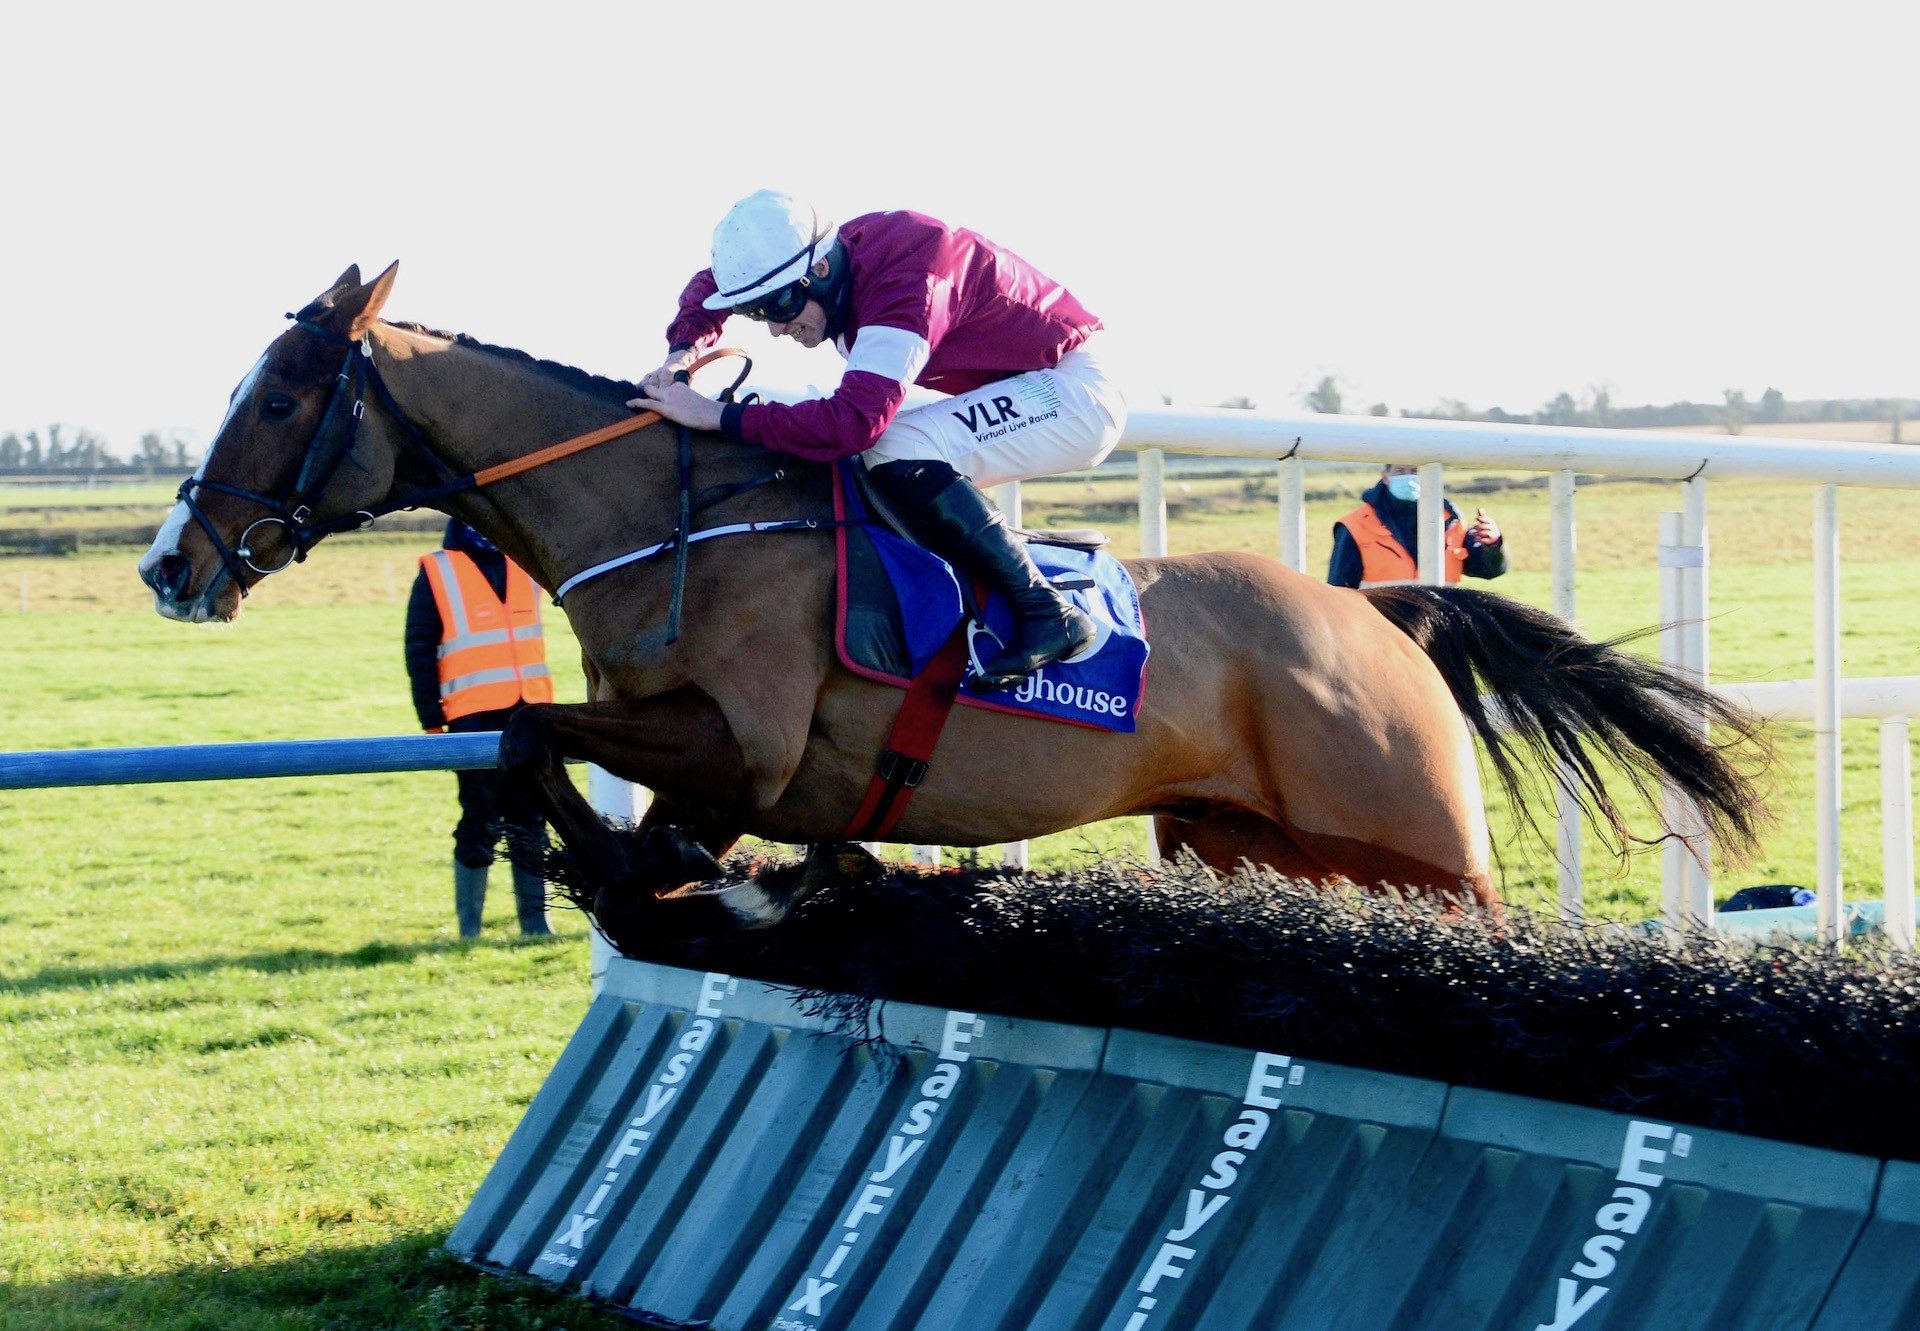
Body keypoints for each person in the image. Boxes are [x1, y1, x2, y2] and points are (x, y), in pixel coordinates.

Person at [629, 188, 1129, 691]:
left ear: (821, 271)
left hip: (1073, 390)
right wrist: (682, 351)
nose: (777, 328)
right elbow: (710, 284)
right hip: (1023, 381)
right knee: (877, 455)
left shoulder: (908, 285)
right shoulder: (818, 253)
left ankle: (1048, 613)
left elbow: (852, 424)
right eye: (758, 312)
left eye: (779, 305)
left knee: (890, 447)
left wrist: (718, 416)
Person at [405, 520, 555, 938]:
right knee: (480, 818)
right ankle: (469, 931)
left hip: (531, 713)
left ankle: (536, 925)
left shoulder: (526, 560)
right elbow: (419, 650)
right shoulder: (439, 570)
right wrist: (432, 723)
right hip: (470, 718)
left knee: (531, 818)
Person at [1327, 464, 1508, 589]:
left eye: (1414, 470)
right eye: (1399, 470)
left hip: (1438, 631)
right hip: (1381, 632)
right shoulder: (1355, 526)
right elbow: (1339, 591)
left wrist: (1493, 546)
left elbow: (1488, 570)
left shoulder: (1452, 520)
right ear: (1385, 476)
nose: (1407, 476)